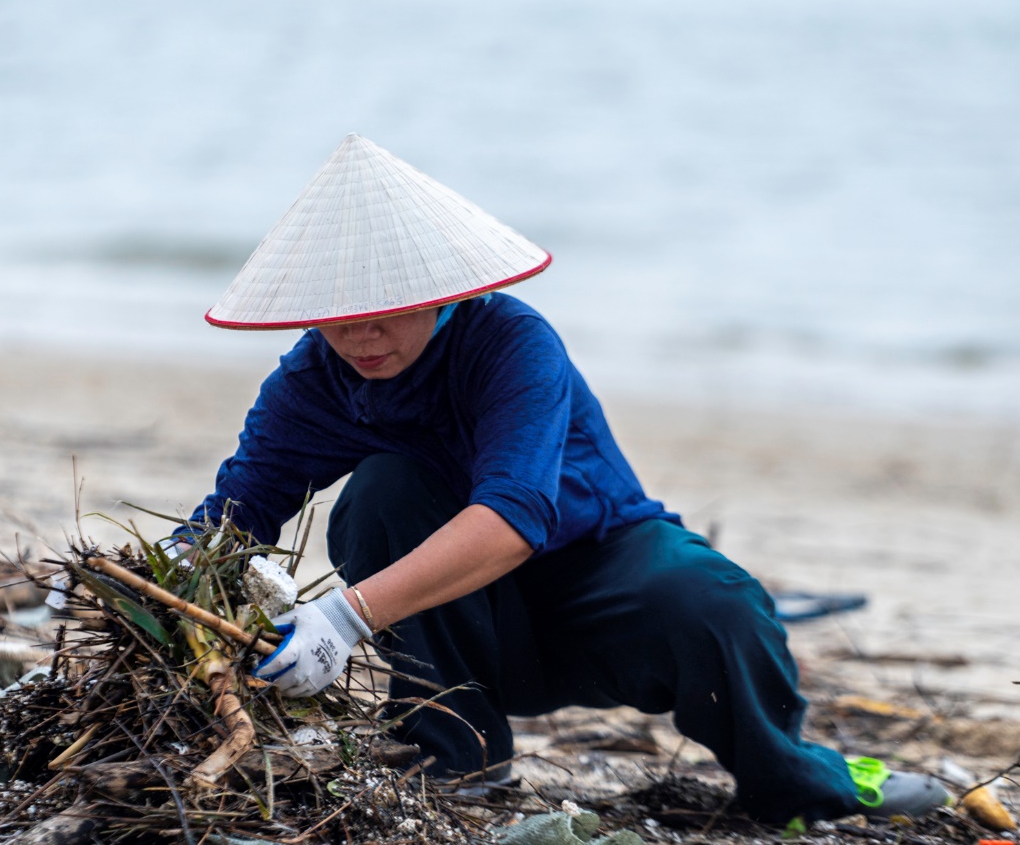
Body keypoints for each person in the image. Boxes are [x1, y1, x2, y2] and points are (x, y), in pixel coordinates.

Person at [179, 134, 948, 826]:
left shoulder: (509, 342)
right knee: (383, 489)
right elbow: (232, 518)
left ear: (442, 291)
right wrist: (154, 582)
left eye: (383, 311)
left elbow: (513, 516)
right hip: (459, 633)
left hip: (601, 587)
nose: (358, 336)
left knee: (714, 596)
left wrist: (341, 620)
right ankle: (456, 764)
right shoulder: (313, 381)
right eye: (334, 315)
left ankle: (797, 779)